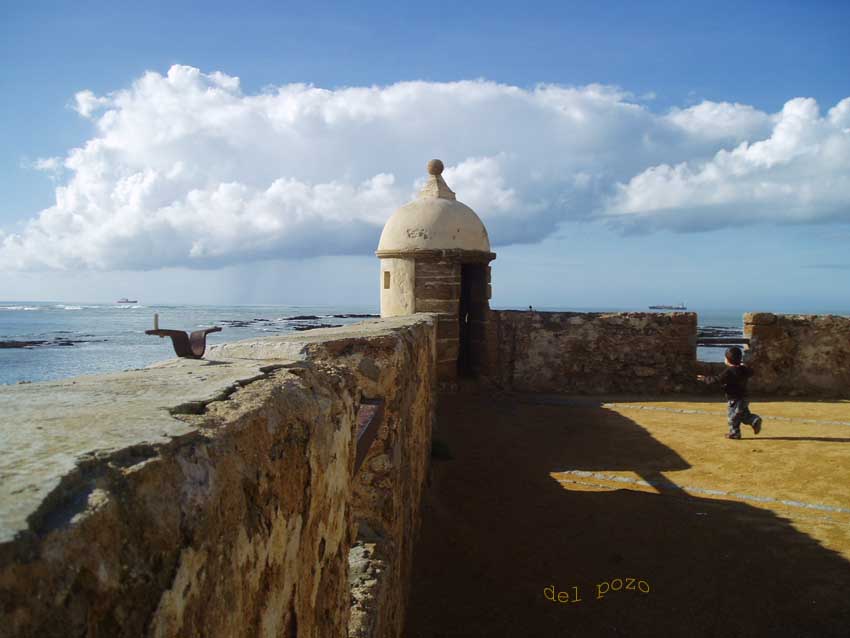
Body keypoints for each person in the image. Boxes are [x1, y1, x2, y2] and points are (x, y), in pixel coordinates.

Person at [697, 346, 763, 439]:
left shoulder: (729, 371)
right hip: (744, 397)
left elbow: (717, 380)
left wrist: (704, 378)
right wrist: (744, 365)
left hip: (734, 399)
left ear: (727, 360)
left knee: (733, 417)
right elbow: (751, 372)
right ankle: (754, 420)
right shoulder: (743, 369)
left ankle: (735, 433)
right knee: (743, 415)